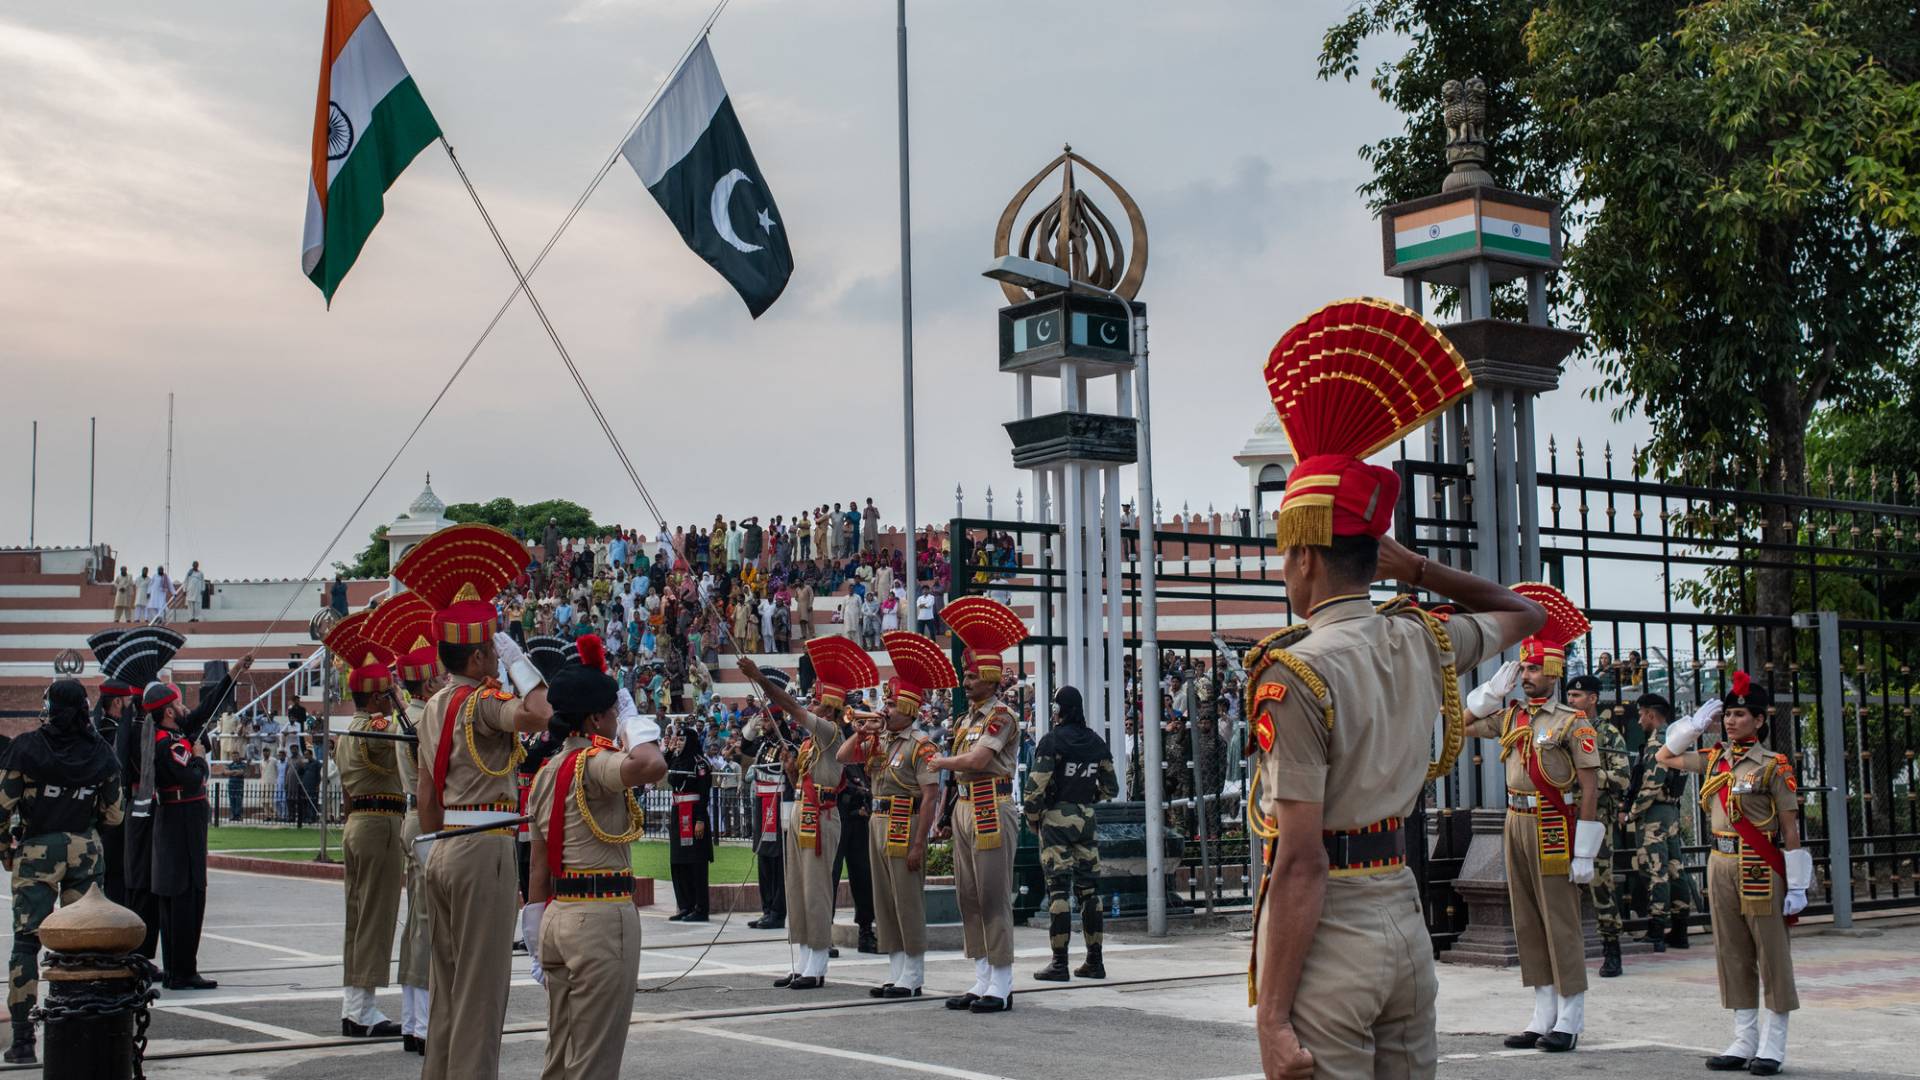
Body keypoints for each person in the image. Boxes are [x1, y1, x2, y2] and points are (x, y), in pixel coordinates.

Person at [1248, 300, 1543, 1080]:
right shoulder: (1421, 636)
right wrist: (1414, 567)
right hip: (1403, 914)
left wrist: (1272, 1018)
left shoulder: (1293, 671)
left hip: (1333, 927)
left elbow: (1301, 862)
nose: (1286, 572)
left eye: (1286, 556)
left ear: (1305, 556)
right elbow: (1522, 611)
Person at [398, 524, 554, 1080]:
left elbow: (425, 788)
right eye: (490, 647)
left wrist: (432, 844)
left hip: (441, 847)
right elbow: (539, 714)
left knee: (448, 983)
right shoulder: (485, 699)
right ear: (480, 655)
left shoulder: (436, 705)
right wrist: (518, 661)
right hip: (483, 844)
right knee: (483, 991)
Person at [1462, 583, 1601, 1053]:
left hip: (1554, 826)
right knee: (1527, 921)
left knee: (1559, 920)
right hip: (1515, 822)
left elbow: (1589, 788)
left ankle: (1571, 1017)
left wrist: (1585, 849)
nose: (1527, 674)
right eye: (1523, 666)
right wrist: (1487, 695)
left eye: (1535, 667)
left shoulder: (1571, 723)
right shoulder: (1514, 716)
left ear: (1556, 669)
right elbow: (1460, 725)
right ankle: (1542, 1014)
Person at [1656, 673, 1808, 1075]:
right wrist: (1692, 727)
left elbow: (1790, 827)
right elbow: (1665, 757)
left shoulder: (1774, 765)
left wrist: (1797, 883)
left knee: (1771, 954)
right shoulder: (1715, 759)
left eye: (1740, 715)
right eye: (1728, 715)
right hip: (1719, 863)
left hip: (1759, 864)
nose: (1731, 721)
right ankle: (1743, 1040)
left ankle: (1773, 1046)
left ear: (1759, 721)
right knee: (1733, 953)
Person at [525, 663, 665, 1080]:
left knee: (561, 1055)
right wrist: (634, 720)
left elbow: (537, 864)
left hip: (557, 915)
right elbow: (651, 764)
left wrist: (534, 933)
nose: (613, 719)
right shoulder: (594, 762)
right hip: (599, 917)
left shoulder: (546, 772)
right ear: (594, 719)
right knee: (594, 1061)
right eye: (610, 712)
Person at [0, 679, 123, 1064]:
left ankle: (23, 1041)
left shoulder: (27, 747)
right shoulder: (101, 751)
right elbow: (115, 813)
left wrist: (6, 849)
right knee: (82, 946)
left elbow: (3, 806)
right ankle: (80, 1028)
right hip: (84, 851)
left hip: (37, 849)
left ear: (49, 706)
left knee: (26, 944)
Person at [741, 638, 874, 990]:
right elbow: (801, 779)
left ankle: (816, 965)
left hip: (823, 813)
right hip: (803, 810)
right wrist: (790, 771)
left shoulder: (830, 732)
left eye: (816, 701)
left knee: (816, 890)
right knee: (797, 890)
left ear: (829, 708)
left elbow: (789, 707)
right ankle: (803, 961)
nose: (810, 705)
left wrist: (762, 681)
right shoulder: (807, 743)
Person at [929, 596, 1030, 1014]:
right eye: (964, 676)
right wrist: (945, 815)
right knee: (969, 896)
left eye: (971, 677)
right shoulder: (965, 719)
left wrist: (941, 760)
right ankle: (983, 977)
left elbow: (977, 762)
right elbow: (957, 776)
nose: (965, 683)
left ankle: (1002, 985)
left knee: (992, 895)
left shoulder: (1000, 716)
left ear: (990, 678)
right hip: (967, 807)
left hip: (991, 805)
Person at [842, 631, 950, 998]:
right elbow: (843, 758)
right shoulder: (882, 739)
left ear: (908, 709)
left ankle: (914, 975)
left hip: (905, 820)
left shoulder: (921, 745)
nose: (883, 710)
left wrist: (921, 842)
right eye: (884, 703)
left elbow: (930, 795)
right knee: (884, 899)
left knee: (906, 898)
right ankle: (896, 970)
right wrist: (861, 731)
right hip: (877, 820)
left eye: (890, 705)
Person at [140, 649, 254, 990]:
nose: (183, 706)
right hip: (180, 821)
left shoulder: (174, 734)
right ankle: (181, 970)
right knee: (185, 896)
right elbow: (191, 776)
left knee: (184, 896)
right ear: (168, 711)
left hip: (182, 820)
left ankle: (181, 967)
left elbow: (207, 710)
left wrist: (232, 674)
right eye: (177, 703)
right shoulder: (165, 742)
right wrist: (201, 758)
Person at [323, 612, 406, 1039]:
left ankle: (354, 1003)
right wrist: (402, 701)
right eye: (388, 696)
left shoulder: (348, 728)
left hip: (359, 824)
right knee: (376, 915)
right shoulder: (378, 727)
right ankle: (363, 1010)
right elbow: (407, 732)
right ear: (377, 700)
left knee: (359, 916)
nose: (393, 702)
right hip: (380, 827)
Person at [366, 591, 443, 1054]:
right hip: (427, 818)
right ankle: (421, 1021)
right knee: (428, 922)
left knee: (419, 920)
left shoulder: (411, 715)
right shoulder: (424, 717)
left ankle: (417, 1019)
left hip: (414, 817)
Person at [1022, 685, 1116, 982]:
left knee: (1059, 889)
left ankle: (1059, 963)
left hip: (1055, 819)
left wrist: (1033, 817)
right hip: (1086, 817)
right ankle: (1094, 961)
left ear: (1061, 709)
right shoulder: (1096, 742)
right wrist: (1087, 800)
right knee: (1090, 891)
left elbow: (1034, 788)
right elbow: (1110, 787)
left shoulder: (1052, 742)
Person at [1569, 674, 1632, 977]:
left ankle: (1611, 948)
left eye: (1577, 696)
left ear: (1592, 699)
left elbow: (1623, 777)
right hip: (1564, 816)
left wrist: (1592, 778)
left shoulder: (1607, 734)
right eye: (1568, 695)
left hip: (1597, 820)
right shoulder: (1563, 730)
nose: (1571, 701)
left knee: (1600, 884)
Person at [1627, 693, 1695, 952]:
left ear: (1651, 715)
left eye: (1641, 714)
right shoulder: (1675, 740)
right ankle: (1680, 930)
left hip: (1654, 814)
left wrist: (1632, 811)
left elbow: (1652, 783)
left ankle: (1656, 932)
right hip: (1671, 812)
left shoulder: (1658, 744)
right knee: (1676, 869)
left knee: (1657, 872)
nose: (1640, 720)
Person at [85, 628, 143, 905]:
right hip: (111, 811)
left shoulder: (93, 729)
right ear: (118, 702)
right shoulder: (112, 734)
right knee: (116, 873)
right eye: (130, 703)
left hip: (94, 814)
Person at [739, 705, 789, 930]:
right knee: (764, 859)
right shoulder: (764, 744)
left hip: (777, 807)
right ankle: (766, 909)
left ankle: (778, 912)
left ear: (778, 722)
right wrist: (751, 726)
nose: (764, 725)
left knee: (778, 862)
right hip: (762, 804)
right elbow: (746, 747)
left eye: (767, 721)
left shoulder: (787, 744)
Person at [665, 723, 713, 922]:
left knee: (696, 862)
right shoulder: (676, 759)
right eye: (678, 738)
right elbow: (662, 765)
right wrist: (669, 749)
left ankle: (700, 908)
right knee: (678, 861)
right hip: (678, 811)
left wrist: (701, 819)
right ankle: (685, 905)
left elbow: (704, 793)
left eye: (683, 739)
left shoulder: (699, 762)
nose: (680, 742)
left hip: (694, 812)